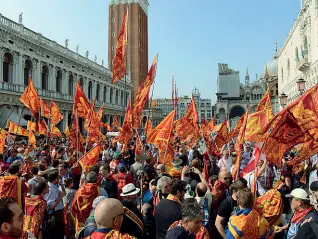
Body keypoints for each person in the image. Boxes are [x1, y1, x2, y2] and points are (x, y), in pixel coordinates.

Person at [44, 169, 65, 239]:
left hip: (58, 214)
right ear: (56, 179)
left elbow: (64, 193)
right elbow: (51, 206)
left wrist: (62, 185)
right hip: (55, 215)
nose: (59, 178)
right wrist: (60, 197)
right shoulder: (51, 189)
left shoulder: (54, 187)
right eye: (58, 177)